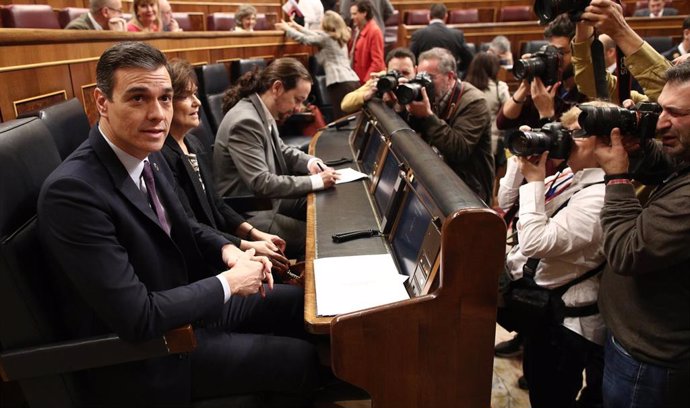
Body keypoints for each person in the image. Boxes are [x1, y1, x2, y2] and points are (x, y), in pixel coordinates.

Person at [37, 41, 320, 406]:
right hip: (150, 355)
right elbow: (138, 316)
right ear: (102, 103)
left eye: (166, 98)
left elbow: (186, 224)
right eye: (138, 98)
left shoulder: (148, 152)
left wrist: (230, 250)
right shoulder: (72, 192)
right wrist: (229, 281)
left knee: (302, 304)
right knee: (299, 359)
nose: (158, 114)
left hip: (186, 308)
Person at [592, 61, 690, 408]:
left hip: (649, 362)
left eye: (675, 113)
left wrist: (617, 177)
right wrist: (640, 149)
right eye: (660, 108)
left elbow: (626, 252)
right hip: (635, 341)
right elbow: (672, 166)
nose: (661, 122)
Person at [161, 59, 290, 273]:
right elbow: (189, 225)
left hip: (223, 243)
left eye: (195, 93)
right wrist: (245, 245)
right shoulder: (162, 157)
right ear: (165, 102)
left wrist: (253, 234)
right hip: (204, 259)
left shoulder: (193, 143)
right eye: (185, 96)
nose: (197, 102)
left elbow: (217, 204)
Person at [214, 58, 339, 259]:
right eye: (297, 99)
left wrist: (310, 162)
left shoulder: (259, 110)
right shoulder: (246, 120)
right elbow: (261, 183)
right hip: (249, 213)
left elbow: (281, 149)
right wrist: (316, 181)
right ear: (277, 88)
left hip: (266, 202)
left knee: (326, 202)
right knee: (322, 239)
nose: (299, 107)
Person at [406, 47, 494, 204]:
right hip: (438, 181)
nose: (424, 84)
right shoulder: (431, 95)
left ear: (450, 77)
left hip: (469, 191)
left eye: (430, 78)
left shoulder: (474, 102)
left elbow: (458, 149)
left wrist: (427, 116)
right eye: (420, 77)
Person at [497, 13, 584, 131]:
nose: (555, 58)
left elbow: (572, 144)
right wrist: (525, 86)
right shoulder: (548, 83)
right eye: (552, 51)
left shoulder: (589, 91)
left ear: (580, 53)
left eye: (561, 53)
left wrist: (547, 113)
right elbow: (503, 122)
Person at [572, 0, 671, 104]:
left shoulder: (671, 99)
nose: (674, 66)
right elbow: (592, 85)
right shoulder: (642, 101)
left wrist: (620, 30)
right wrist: (583, 16)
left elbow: (672, 92)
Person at [275, 11, 361, 120]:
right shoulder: (339, 37)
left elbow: (304, 39)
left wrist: (287, 29)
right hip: (352, 81)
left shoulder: (326, 39)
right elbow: (316, 34)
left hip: (339, 83)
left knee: (343, 117)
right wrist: (297, 26)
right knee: (354, 117)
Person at [341, 47, 416, 114]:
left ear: (415, 70)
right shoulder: (382, 81)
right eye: (395, 73)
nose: (400, 78)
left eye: (405, 73)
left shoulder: (420, 86)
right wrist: (368, 94)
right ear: (386, 71)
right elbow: (345, 104)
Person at [464, 52, 510, 162]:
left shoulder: (464, 87)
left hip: (467, 141)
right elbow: (509, 114)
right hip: (491, 144)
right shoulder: (500, 88)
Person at [409, 3, 474, 74]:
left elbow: (411, 58)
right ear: (446, 16)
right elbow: (469, 58)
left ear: (429, 16)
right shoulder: (457, 35)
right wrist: (456, 68)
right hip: (449, 75)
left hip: (426, 76)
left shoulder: (418, 34)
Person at [349, 0, 385, 84]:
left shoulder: (374, 31)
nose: (351, 17)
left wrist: (366, 82)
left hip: (368, 82)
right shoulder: (357, 30)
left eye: (354, 14)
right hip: (358, 79)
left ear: (364, 13)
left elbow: (377, 62)